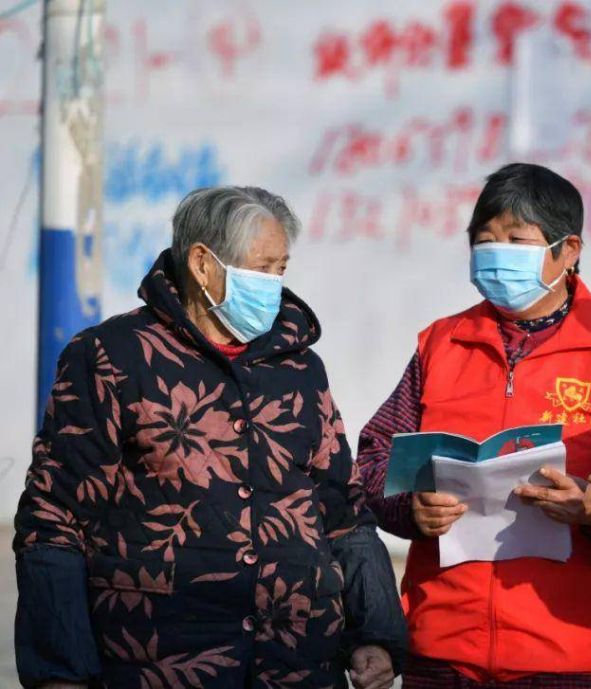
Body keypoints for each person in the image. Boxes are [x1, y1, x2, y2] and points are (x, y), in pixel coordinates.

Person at [14, 186, 408, 689]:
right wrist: (60, 673)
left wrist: (376, 632)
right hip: (159, 662)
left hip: (298, 663)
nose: (274, 285)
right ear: (203, 264)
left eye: (281, 270)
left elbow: (344, 512)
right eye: (261, 269)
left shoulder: (300, 368)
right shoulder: (112, 358)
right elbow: (55, 518)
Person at [356, 163, 591, 688]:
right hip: (442, 652)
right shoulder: (440, 346)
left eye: (516, 239)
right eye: (484, 240)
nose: (496, 252)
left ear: (568, 250)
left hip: (574, 657)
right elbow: (372, 464)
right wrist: (412, 508)